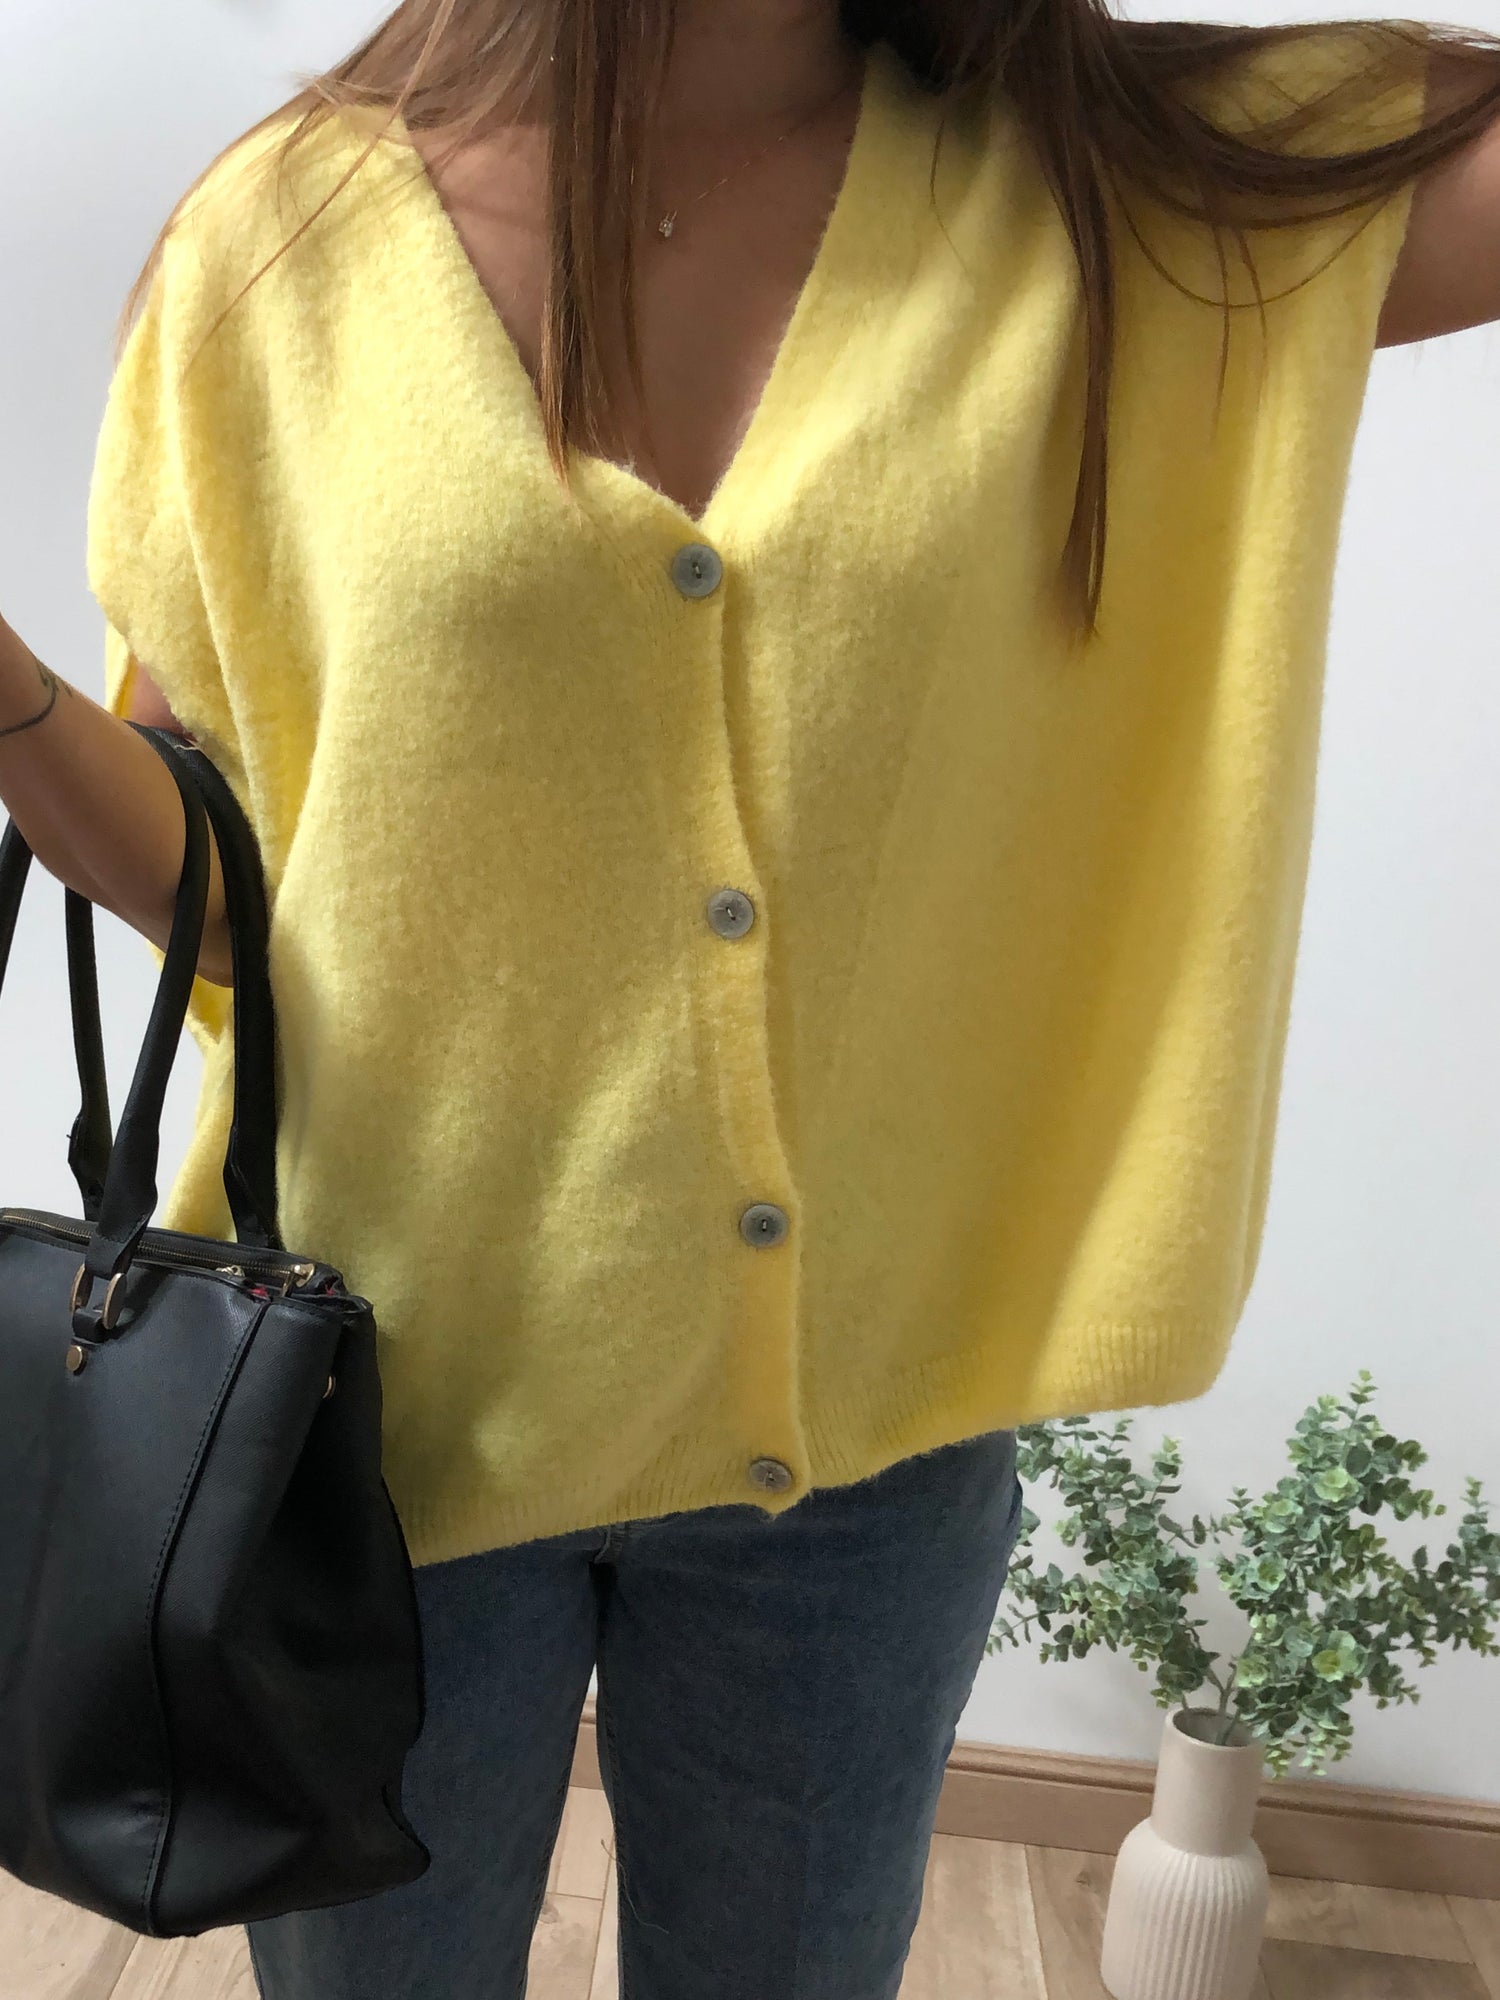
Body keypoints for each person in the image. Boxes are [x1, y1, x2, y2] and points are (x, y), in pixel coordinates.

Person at [2, 2, 1497, 1995]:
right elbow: (221, 892)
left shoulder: (1103, 196)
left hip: (861, 1456)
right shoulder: (274, 253)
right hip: (370, 1427)